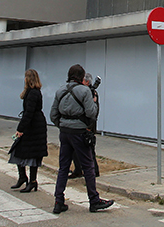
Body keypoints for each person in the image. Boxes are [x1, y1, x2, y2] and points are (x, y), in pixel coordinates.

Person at [49, 64, 114, 214]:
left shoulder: (60, 90)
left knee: (63, 167)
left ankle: (59, 201)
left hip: (64, 132)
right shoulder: (85, 91)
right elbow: (91, 113)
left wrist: (63, 124)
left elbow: (53, 115)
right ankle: (94, 200)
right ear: (81, 77)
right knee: (88, 166)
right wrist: (95, 102)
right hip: (79, 132)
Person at [9, 69, 48, 193]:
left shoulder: (32, 93)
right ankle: (26, 179)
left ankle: (30, 181)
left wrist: (20, 129)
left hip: (33, 127)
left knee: (28, 153)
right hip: (35, 125)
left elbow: (29, 113)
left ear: (28, 79)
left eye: (25, 77)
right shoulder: (33, 92)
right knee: (28, 153)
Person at [70, 71, 100, 179]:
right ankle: (78, 170)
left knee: (89, 150)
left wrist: (89, 127)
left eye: (82, 80)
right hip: (80, 126)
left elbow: (93, 112)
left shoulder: (91, 93)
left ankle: (94, 171)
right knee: (74, 149)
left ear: (87, 82)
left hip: (88, 127)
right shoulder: (84, 91)